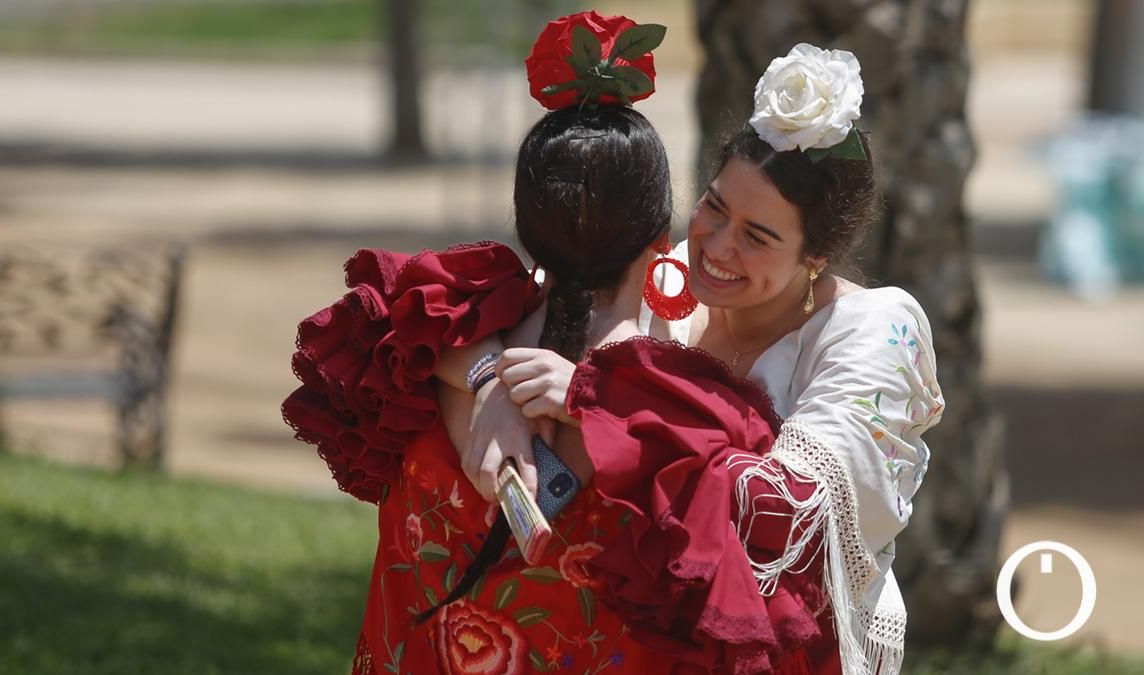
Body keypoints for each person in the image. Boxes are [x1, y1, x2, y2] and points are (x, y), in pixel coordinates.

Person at [282, 12, 827, 675]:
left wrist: (485, 377)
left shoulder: (427, 347)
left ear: (526, 223)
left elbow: (400, 310)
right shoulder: (690, 425)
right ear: (662, 238)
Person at [439, 44, 946, 674]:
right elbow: (454, 318)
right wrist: (490, 387)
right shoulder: (667, 278)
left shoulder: (872, 331)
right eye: (713, 206)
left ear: (817, 256)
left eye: (757, 237)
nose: (716, 246)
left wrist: (596, 403)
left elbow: (781, 511)